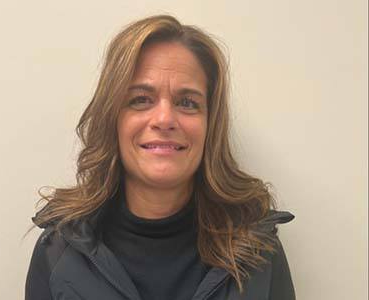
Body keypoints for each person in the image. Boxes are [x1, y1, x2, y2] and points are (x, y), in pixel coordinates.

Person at [25, 14, 296, 300]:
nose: (165, 119)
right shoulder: (59, 250)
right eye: (141, 99)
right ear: (113, 118)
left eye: (187, 103)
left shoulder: (256, 251)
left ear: (210, 125)